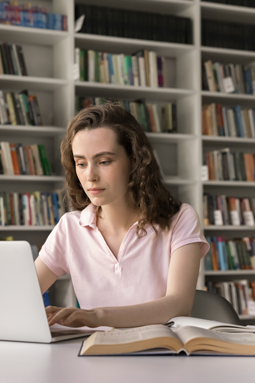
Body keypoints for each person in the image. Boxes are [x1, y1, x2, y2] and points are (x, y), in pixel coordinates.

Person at [35, 102, 209, 328]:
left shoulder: (180, 218)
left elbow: (178, 305)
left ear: (135, 161)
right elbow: (20, 297)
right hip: (96, 356)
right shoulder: (70, 228)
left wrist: (95, 316)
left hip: (163, 356)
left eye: (104, 161)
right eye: (81, 163)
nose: (90, 176)